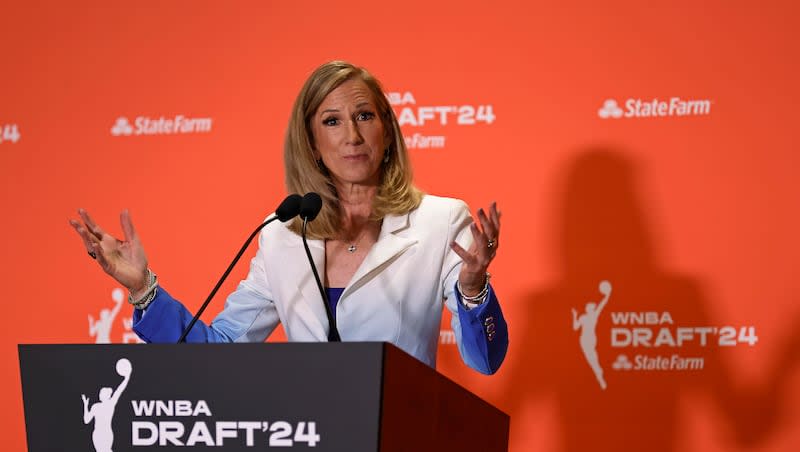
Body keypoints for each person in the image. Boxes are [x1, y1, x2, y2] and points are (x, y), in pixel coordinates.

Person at [70, 61, 508, 374]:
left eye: (364, 116)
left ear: (388, 131)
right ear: (313, 143)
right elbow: (218, 351)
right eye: (333, 121)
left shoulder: (440, 220)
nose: (352, 136)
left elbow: (485, 360)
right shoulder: (282, 235)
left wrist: (473, 290)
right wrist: (143, 288)